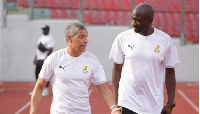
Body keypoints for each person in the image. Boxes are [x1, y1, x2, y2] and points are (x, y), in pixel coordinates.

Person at [30, 22, 122, 114]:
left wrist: (113, 107)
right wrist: (32, 112)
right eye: (81, 36)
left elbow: (103, 88)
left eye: (86, 36)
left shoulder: (92, 60)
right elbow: (39, 86)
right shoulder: (54, 59)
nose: (86, 40)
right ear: (69, 38)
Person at [109, 3, 180, 114]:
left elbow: (170, 72)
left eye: (138, 20)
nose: (133, 23)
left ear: (150, 20)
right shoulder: (123, 38)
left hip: (153, 107)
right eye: (132, 19)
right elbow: (116, 69)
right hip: (127, 103)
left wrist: (170, 103)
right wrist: (114, 104)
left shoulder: (165, 40)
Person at [30, 25, 55, 96]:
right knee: (37, 75)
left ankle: (45, 90)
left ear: (48, 30)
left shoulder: (50, 38)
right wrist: (35, 58)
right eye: (43, 29)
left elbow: (50, 49)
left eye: (45, 29)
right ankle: (38, 90)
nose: (43, 31)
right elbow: (38, 49)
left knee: (44, 75)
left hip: (44, 59)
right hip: (39, 59)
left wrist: (46, 59)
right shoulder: (41, 38)